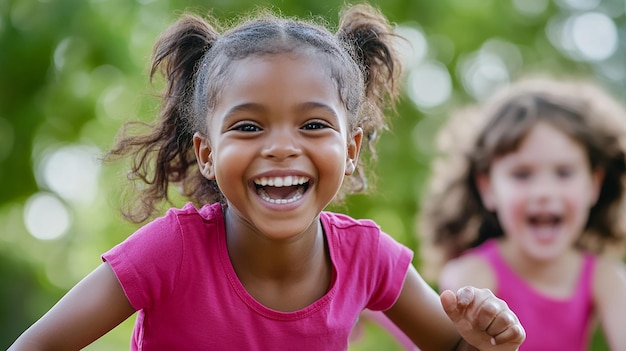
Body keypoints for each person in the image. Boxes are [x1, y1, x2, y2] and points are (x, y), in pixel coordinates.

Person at [8, 4, 525, 350]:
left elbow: (456, 345)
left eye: (314, 124)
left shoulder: (367, 257)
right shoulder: (172, 251)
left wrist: (484, 338)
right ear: (207, 154)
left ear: (350, 150)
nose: (281, 146)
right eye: (249, 125)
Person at [418, 75, 626, 350]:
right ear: (488, 188)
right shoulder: (471, 276)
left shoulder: (606, 277)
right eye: (522, 174)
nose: (543, 192)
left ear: (594, 184)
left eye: (564, 173)